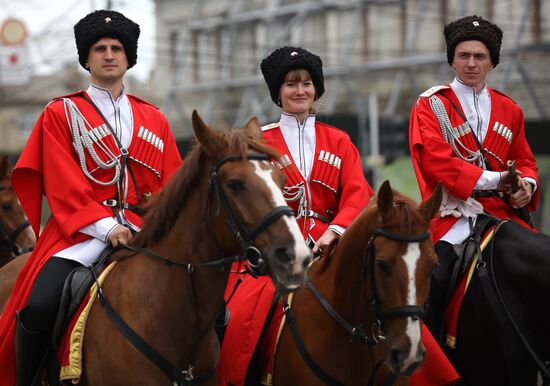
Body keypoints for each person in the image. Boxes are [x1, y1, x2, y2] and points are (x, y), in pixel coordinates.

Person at [0, 10, 182, 386]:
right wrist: (107, 227)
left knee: (214, 308)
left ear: (129, 57)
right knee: (39, 306)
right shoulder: (61, 112)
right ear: (87, 58)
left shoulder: (155, 119)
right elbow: (64, 186)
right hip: (79, 234)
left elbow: (172, 188)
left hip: (147, 232)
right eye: (100, 48)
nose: (109, 54)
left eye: (117, 48)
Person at [217, 46, 374, 385]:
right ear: (278, 92)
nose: (299, 91)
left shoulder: (340, 140)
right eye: (290, 84)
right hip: (273, 250)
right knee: (240, 312)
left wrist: (333, 232)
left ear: (316, 88)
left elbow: (359, 193)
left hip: (331, 246)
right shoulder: (259, 141)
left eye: (306, 83)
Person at [409, 15, 540, 345]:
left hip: (503, 217)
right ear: (452, 58)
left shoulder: (510, 109)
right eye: (463, 55)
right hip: (453, 218)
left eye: (479, 57)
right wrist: (500, 180)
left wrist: (525, 186)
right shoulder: (431, 105)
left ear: (492, 62)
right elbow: (438, 165)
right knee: (431, 283)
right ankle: (425, 356)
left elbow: (525, 161)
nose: (470, 64)